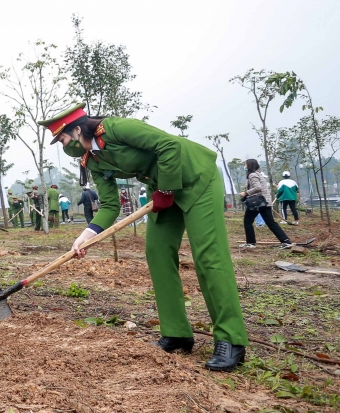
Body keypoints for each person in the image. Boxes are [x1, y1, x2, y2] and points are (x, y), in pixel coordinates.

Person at [41, 103, 248, 372]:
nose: (64, 146)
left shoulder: (116, 128)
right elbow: (110, 206)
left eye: (63, 139)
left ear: (77, 129)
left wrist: (165, 189)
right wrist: (86, 235)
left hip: (195, 179)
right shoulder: (93, 160)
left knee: (208, 256)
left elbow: (169, 146)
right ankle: (176, 333)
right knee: (157, 253)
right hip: (162, 191)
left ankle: (231, 339)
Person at [239, 160, 292, 249]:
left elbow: (258, 188)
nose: (245, 166)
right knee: (271, 222)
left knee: (247, 222)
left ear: (249, 165)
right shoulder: (259, 174)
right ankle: (286, 241)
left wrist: (246, 193)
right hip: (265, 202)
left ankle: (251, 243)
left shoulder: (252, 175)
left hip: (257, 202)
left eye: (245, 164)